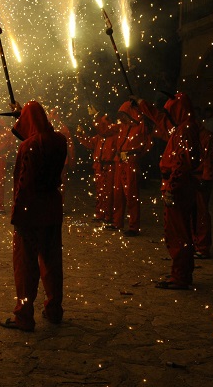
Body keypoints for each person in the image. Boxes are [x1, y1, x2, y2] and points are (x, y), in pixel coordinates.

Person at [0, 100, 67, 332]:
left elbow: (23, 183)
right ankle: (54, 309)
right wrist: (24, 114)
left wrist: (17, 215)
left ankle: (24, 316)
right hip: (52, 208)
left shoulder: (28, 147)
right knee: (52, 262)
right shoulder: (60, 140)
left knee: (26, 266)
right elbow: (38, 132)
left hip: (31, 212)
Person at [131, 93, 200, 289]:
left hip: (178, 188)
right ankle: (180, 273)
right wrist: (143, 104)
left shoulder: (185, 130)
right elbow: (162, 120)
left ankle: (181, 276)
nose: (168, 116)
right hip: (176, 186)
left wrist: (172, 187)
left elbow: (183, 163)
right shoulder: (181, 127)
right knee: (176, 232)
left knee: (179, 233)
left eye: (171, 112)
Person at [108, 100, 151, 237]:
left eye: (124, 114)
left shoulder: (141, 126)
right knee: (118, 193)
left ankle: (133, 226)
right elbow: (106, 129)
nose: (122, 118)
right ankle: (117, 222)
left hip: (130, 162)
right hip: (120, 161)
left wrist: (137, 156)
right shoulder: (123, 127)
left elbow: (149, 143)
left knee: (131, 194)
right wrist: (97, 117)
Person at [76, 109, 117, 223]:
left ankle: (109, 216)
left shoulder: (114, 136)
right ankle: (100, 214)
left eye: (103, 124)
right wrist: (81, 134)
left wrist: (95, 116)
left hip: (109, 167)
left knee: (109, 193)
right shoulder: (99, 137)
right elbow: (89, 143)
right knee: (100, 192)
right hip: (99, 166)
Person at [193, 121, 213, 259]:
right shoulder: (192, 135)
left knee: (201, 212)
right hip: (193, 177)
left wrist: (205, 178)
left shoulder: (206, 137)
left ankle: (202, 247)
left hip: (201, 179)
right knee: (192, 212)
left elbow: (209, 159)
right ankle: (195, 244)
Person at [47, 108, 75, 194]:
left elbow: (70, 145)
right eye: (51, 114)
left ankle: (58, 204)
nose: (52, 116)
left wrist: (72, 159)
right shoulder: (46, 127)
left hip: (61, 161)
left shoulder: (64, 129)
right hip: (49, 160)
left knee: (60, 184)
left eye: (55, 114)